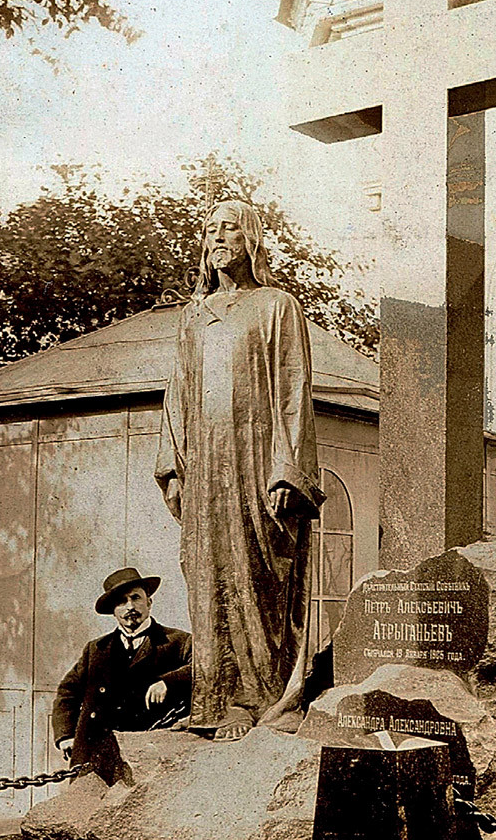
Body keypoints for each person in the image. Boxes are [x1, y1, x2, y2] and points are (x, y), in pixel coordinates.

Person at [155, 199, 325, 739]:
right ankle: (214, 700)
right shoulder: (194, 316)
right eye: (210, 230)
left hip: (257, 462)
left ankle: (259, 700)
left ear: (250, 239)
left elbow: (294, 388)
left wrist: (287, 469)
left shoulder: (277, 306)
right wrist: (174, 468)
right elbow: (177, 394)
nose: (218, 238)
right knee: (208, 575)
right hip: (206, 466)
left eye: (229, 228)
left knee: (259, 577)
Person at [52, 567, 192, 764]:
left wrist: (168, 682)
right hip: (96, 750)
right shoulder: (96, 649)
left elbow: (204, 669)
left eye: (136, 598)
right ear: (113, 610)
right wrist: (65, 735)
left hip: (154, 753)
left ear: (149, 602)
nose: (130, 607)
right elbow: (67, 692)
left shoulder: (178, 641)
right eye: (121, 602)